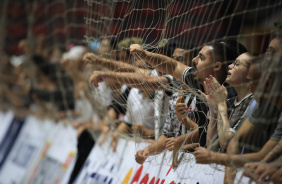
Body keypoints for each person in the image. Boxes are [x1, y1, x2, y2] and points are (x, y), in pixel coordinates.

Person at [133, 40, 246, 165]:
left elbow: (226, 142)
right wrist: (144, 55)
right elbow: (174, 66)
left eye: (201, 58)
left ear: (217, 66)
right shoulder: (201, 82)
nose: (194, 60)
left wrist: (182, 140)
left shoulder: (232, 96)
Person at [199, 52, 254, 151]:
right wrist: (214, 109)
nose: (229, 66)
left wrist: (221, 104)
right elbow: (211, 147)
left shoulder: (253, 103)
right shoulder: (229, 102)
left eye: (236, 64)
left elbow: (226, 143)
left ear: (251, 73)